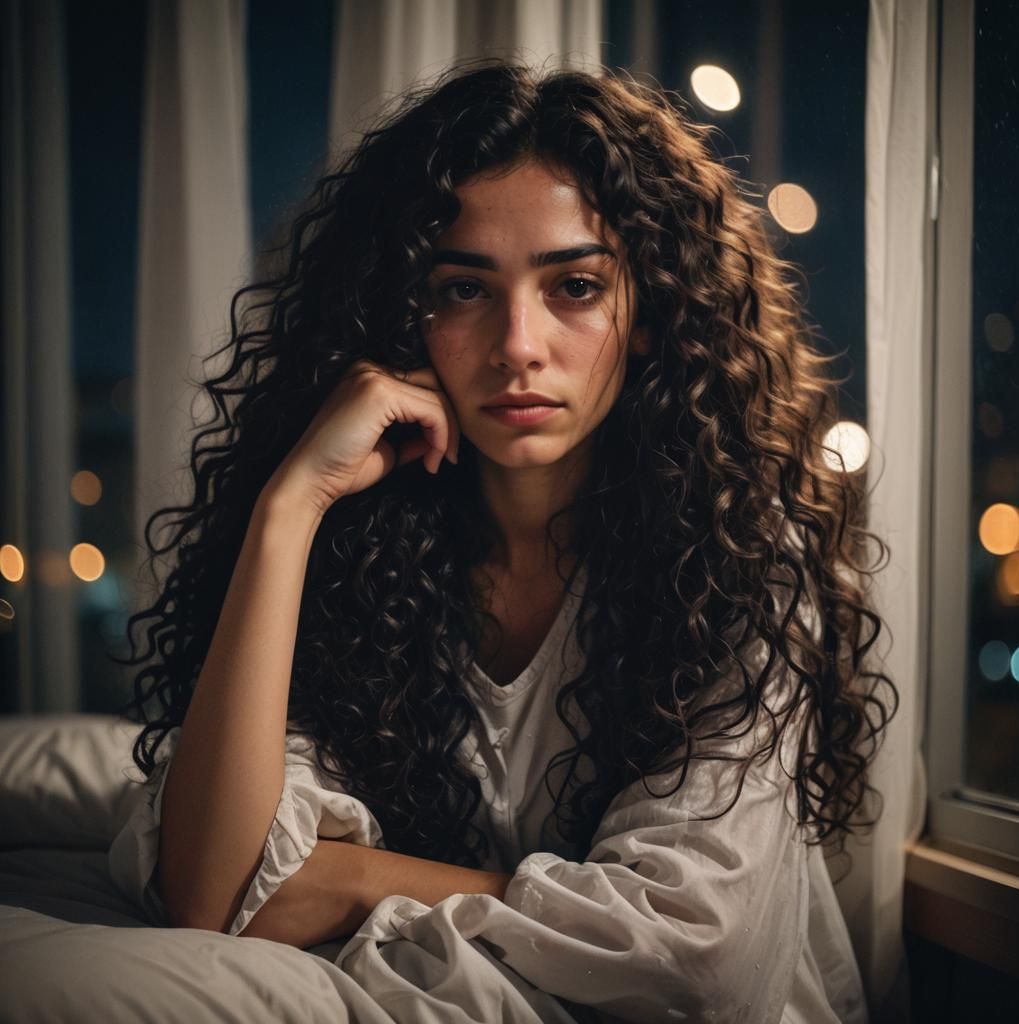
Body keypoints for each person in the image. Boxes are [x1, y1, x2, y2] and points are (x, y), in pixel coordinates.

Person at [109, 57, 896, 1023]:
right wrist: (291, 507)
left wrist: (352, 880)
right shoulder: (359, 558)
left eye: (575, 286)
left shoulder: (737, 563)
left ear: (647, 315)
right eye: (463, 290)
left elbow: (701, 959)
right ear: (405, 318)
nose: (519, 344)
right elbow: (211, 889)